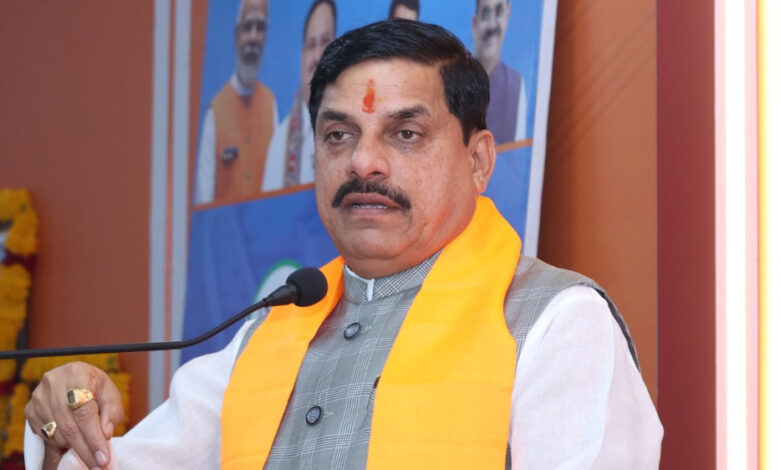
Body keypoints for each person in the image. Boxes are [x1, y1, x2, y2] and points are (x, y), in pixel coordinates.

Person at [24, 20, 662, 469]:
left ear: (478, 161)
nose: (363, 162)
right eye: (338, 135)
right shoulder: (273, 332)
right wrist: (65, 424)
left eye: (405, 134)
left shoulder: (555, 322)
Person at [194, 0, 278, 204]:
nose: (253, 37)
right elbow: (204, 197)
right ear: (237, 34)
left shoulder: (271, 104)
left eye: (260, 28)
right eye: (248, 27)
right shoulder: (215, 111)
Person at [262, 0, 336, 192]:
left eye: (325, 42)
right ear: (303, 56)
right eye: (311, 45)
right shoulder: (280, 142)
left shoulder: (356, 125)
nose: (317, 55)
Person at [472, 0, 528, 144]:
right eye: (485, 14)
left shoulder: (515, 85)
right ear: (475, 24)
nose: (492, 25)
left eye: (499, 12)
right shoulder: (456, 78)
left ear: (507, 16)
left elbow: (517, 151)